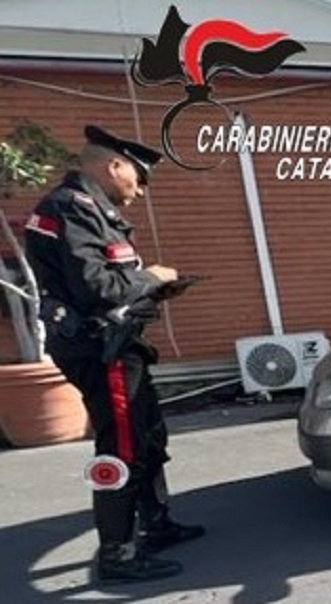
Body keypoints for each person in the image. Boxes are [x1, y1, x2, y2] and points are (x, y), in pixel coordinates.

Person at [24, 125, 204, 584]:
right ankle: (117, 553)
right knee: (121, 448)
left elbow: (112, 288)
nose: (141, 191)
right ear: (114, 165)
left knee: (148, 437)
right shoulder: (70, 209)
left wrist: (157, 290)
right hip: (101, 350)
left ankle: (156, 524)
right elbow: (98, 288)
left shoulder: (96, 213)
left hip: (123, 344)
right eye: (139, 179)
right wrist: (152, 276)